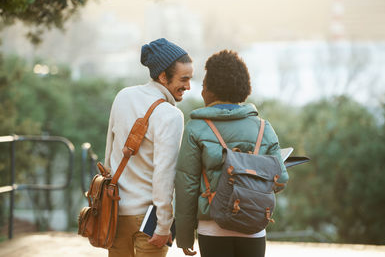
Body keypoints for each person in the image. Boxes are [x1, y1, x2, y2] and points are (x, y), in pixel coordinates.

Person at [174, 50, 288, 257]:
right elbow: (281, 179)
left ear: (210, 91)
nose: (201, 92)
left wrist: (184, 236)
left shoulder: (195, 128)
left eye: (203, 86)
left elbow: (186, 186)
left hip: (212, 227)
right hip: (253, 226)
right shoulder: (263, 127)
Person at [104, 38, 193, 257]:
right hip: (148, 220)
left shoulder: (122, 96)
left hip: (115, 213)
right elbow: (164, 173)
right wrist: (164, 225)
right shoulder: (171, 115)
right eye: (184, 79)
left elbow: (109, 158)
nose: (188, 86)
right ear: (163, 76)